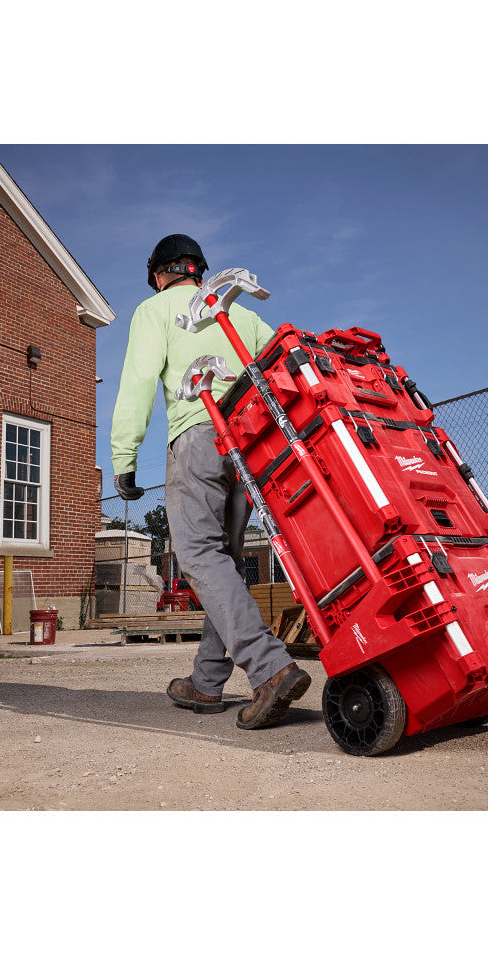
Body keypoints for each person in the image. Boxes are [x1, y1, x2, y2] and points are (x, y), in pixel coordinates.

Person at [110, 233, 311, 729]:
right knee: (221, 560)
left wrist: (124, 454)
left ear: (159, 274)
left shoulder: (154, 310)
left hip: (198, 433)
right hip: (248, 437)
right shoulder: (236, 311)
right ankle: (206, 682)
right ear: (199, 269)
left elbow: (138, 380)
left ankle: (269, 667)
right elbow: (287, 356)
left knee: (198, 555)